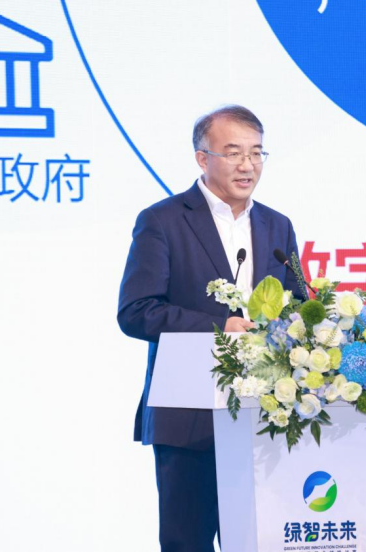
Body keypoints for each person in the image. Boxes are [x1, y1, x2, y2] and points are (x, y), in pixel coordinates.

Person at [117, 105, 302, 551]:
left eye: (256, 153)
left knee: (262, 542)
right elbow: (137, 310)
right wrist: (220, 328)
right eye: (234, 153)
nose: (248, 165)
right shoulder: (162, 221)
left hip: (265, 415)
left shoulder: (278, 225)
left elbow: (299, 304)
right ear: (203, 158)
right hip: (189, 415)